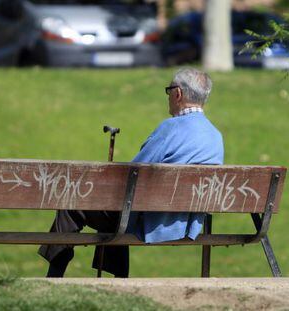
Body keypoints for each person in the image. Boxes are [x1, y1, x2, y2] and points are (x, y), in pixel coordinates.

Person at [38, 67, 224, 277]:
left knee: (72, 203)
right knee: (121, 207)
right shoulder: (215, 135)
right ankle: (117, 278)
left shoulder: (170, 128)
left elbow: (131, 174)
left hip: (153, 220)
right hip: (188, 223)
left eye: (169, 90)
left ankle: (54, 277)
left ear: (178, 93)